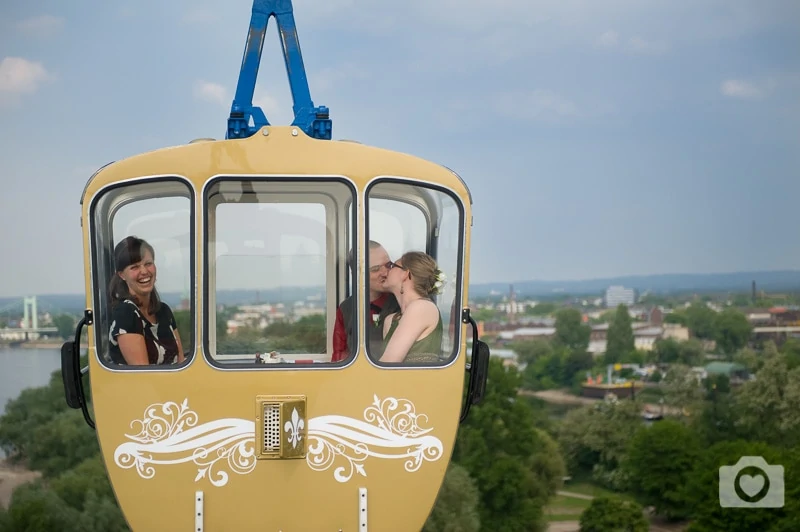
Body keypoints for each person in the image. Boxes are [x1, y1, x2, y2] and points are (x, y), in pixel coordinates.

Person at [107, 236, 185, 365]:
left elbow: (181, 362)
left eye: (148, 264)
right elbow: (144, 375)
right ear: (122, 275)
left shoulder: (163, 311)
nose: (144, 271)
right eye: (135, 267)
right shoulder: (126, 313)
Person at [331, 240, 399, 362]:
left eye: (388, 265)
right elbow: (339, 355)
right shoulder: (346, 308)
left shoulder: (401, 302)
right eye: (376, 269)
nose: (385, 273)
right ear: (357, 275)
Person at [379, 251, 444, 364]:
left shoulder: (422, 307)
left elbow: (389, 363)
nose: (385, 272)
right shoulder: (390, 320)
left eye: (392, 266)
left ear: (405, 274)